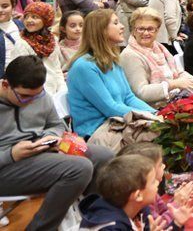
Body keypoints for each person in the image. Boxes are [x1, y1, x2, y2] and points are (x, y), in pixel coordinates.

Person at [0, 55, 114, 231]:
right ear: (5, 85)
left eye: (36, 96)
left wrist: (49, 137)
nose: (30, 101)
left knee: (104, 156)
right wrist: (11, 155)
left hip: (39, 152)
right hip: (6, 168)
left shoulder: (39, 96)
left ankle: (92, 221)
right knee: (79, 168)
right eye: (24, 97)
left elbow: (56, 125)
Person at [67, 10, 156, 138]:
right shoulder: (84, 67)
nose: (122, 26)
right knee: (162, 134)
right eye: (116, 23)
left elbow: (128, 97)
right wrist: (151, 117)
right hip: (97, 131)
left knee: (172, 129)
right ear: (101, 30)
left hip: (118, 123)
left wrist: (155, 112)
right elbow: (110, 108)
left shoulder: (112, 60)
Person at [120, 8, 193, 108]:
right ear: (133, 30)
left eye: (150, 29)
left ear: (157, 30)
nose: (145, 33)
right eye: (141, 29)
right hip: (154, 109)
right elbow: (141, 93)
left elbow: (179, 73)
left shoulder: (158, 48)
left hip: (174, 99)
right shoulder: (130, 55)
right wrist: (173, 84)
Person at [117, 142, 193, 230]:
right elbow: (161, 224)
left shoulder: (150, 191)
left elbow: (162, 210)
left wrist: (179, 199)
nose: (164, 166)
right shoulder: (143, 202)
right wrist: (176, 203)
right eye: (160, 165)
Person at [78, 155, 160, 231]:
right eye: (153, 182)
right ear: (138, 195)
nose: (158, 182)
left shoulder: (138, 209)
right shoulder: (110, 228)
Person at [8, 2, 66, 96]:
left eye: (35, 17)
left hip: (54, 90)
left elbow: (56, 68)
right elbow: (19, 74)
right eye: (26, 17)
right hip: (33, 93)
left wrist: (62, 88)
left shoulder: (52, 40)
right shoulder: (22, 43)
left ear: (46, 20)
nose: (29, 20)